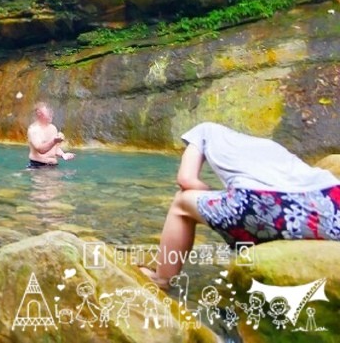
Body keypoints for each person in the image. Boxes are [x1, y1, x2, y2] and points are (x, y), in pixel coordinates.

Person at [141, 122, 340, 289]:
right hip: (329, 199)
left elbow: (186, 180)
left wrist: (208, 192)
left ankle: (162, 279)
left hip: (262, 204)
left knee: (181, 203)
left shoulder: (203, 130)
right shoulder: (270, 146)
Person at [27, 101, 76, 168]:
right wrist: (54, 141)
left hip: (53, 166)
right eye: (48, 112)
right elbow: (41, 149)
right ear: (39, 113)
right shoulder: (34, 129)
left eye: (51, 112)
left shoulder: (53, 128)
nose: (51, 114)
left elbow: (55, 149)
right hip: (37, 166)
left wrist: (63, 155)